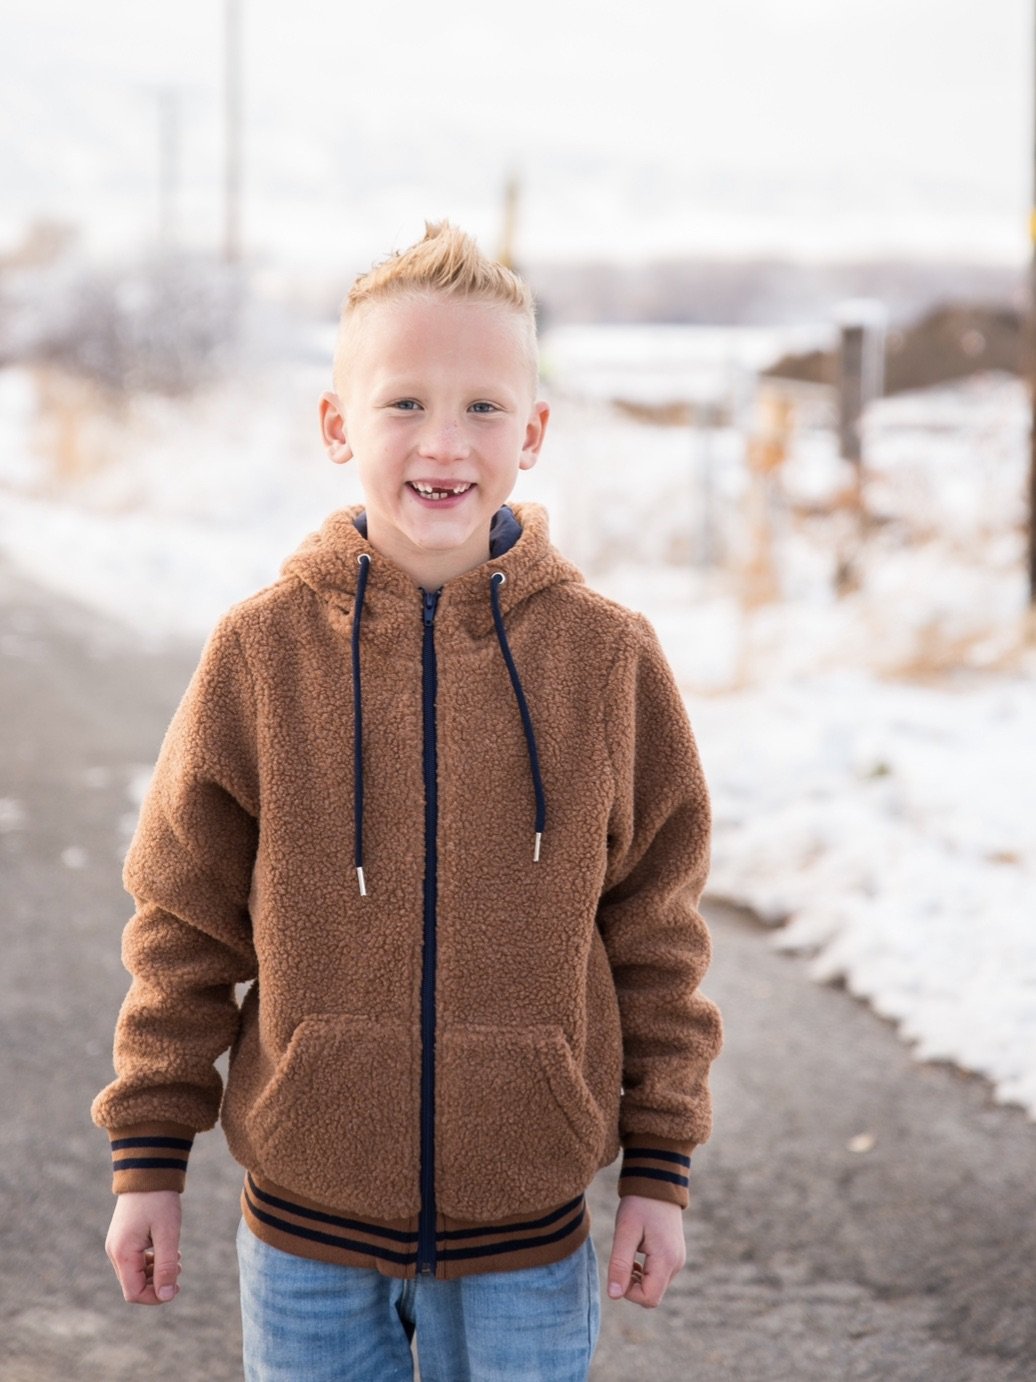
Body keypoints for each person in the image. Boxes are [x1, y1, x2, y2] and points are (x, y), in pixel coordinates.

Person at [93, 221, 723, 1381]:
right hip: (304, 1233)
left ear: (532, 434)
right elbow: (181, 921)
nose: (444, 440)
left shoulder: (606, 660)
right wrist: (150, 1155)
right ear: (338, 424)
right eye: (403, 404)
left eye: (484, 406)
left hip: (530, 1234)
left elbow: (656, 936)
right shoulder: (260, 655)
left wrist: (657, 1165)